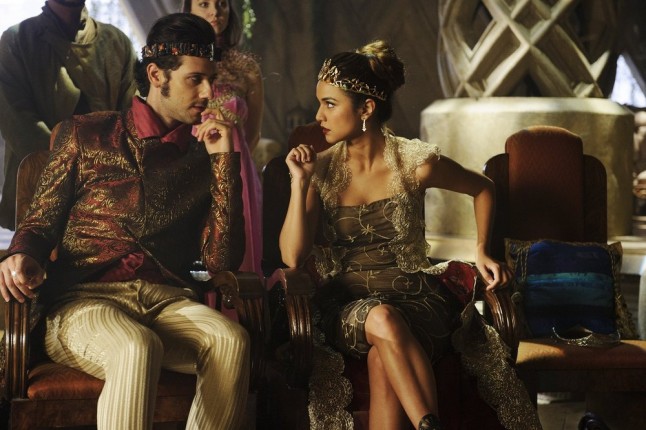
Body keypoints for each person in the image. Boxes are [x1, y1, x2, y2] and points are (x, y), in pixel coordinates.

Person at [0, 13, 249, 430]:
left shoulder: (202, 157)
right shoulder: (85, 134)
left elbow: (220, 262)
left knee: (231, 340)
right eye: (195, 79)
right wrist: (22, 253)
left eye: (211, 80)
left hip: (166, 301)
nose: (209, 93)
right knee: (136, 346)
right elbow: (40, 222)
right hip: (82, 301)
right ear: (156, 75)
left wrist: (225, 165)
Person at [279, 40, 541, 430]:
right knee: (382, 319)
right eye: (320, 104)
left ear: (366, 109)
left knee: (382, 358)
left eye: (330, 104)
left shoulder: (414, 163)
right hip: (350, 305)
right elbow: (292, 257)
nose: (319, 116)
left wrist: (482, 250)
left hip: (417, 300)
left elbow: (483, 188)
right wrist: (299, 184)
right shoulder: (320, 170)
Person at [0, 0, 137, 230]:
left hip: (105, 193)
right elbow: (16, 121)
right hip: (40, 190)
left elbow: (132, 120)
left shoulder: (116, 41)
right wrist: (69, 167)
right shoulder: (17, 40)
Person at [183, 0, 264, 278]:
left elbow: (253, 133)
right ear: (188, 9)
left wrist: (236, 167)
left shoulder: (246, 68)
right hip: (191, 166)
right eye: (204, 3)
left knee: (238, 258)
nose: (215, 12)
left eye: (222, 4)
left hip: (238, 169)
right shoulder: (179, 61)